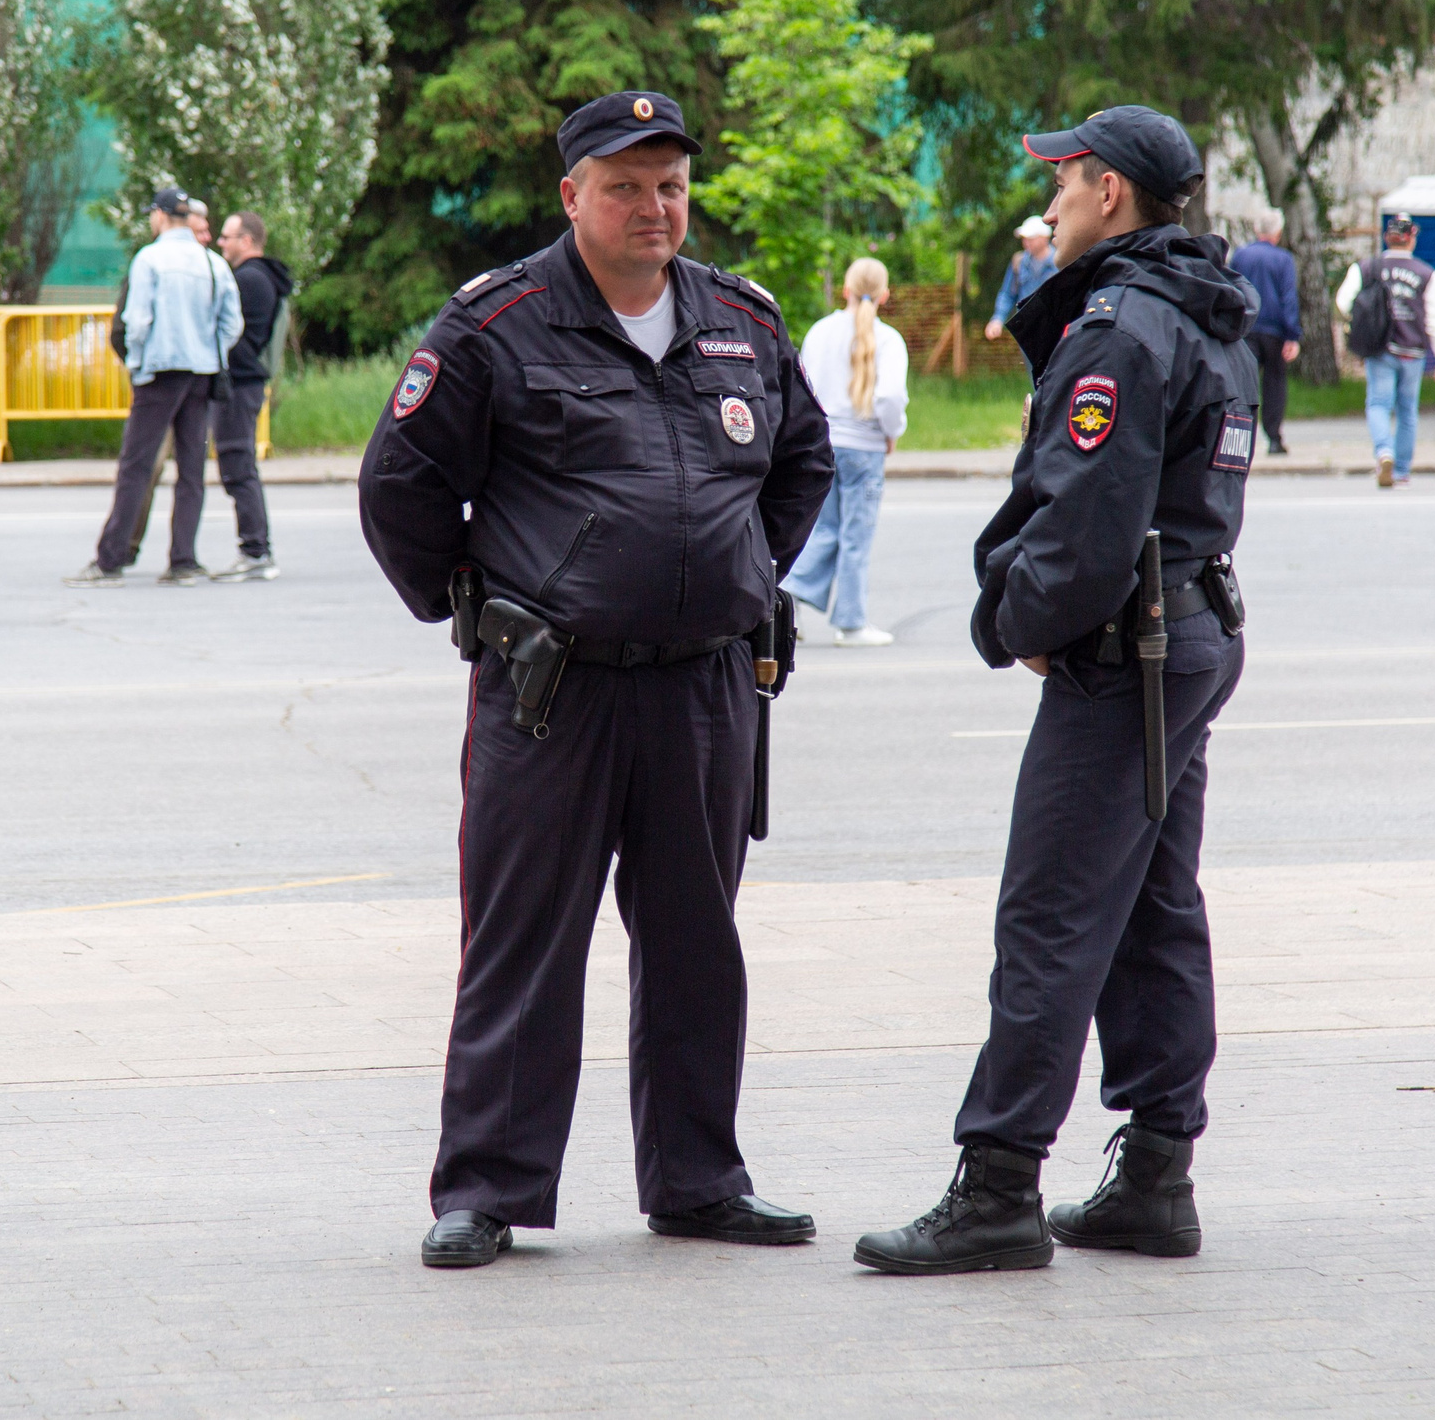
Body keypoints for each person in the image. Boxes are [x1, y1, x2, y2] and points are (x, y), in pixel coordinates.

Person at [359, 90, 833, 1270]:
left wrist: (735, 572)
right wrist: (476, 604)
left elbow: (803, 459)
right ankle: (487, 1188)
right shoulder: (496, 324)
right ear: (572, 195)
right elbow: (399, 484)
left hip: (705, 690)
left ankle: (699, 1180)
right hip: (549, 692)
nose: (652, 207)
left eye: (670, 185)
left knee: (695, 942)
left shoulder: (740, 319)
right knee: (524, 940)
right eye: (625, 187)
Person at [855, 106, 1255, 1275]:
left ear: (1110, 193)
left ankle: (996, 1183)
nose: (1052, 203)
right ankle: (1155, 1174)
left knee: (1051, 914)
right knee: (1153, 904)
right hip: (1185, 631)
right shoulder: (1203, 306)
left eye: (1065, 182)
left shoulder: (1122, 325)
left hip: (1128, 652)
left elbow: (1084, 527)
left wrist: (1013, 620)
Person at [66, 188, 243, 588]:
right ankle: (183, 560)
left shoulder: (150, 259)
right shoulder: (212, 262)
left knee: (136, 466)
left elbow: (138, 320)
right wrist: (211, 351)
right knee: (191, 469)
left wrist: (137, 364)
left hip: (159, 372)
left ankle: (110, 561)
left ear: (161, 217)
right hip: (202, 372)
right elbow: (232, 323)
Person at [783, 256, 909, 645]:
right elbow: (889, 397)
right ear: (885, 295)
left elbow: (804, 390)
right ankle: (851, 624)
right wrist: (892, 432)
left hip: (823, 446)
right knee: (856, 537)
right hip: (864, 449)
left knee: (822, 530)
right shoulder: (888, 340)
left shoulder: (820, 332)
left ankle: (789, 600)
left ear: (845, 290)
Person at [1334, 215, 1435, 487]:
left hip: (1380, 348)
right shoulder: (1427, 274)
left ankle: (1384, 452)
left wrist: (1358, 324)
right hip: (1413, 351)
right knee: (1407, 411)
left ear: (1387, 238)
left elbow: (1342, 302)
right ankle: (1401, 469)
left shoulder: (1366, 267)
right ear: (1411, 239)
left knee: (1378, 404)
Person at [212, 211, 295, 581]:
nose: (221, 242)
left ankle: (255, 552)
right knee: (239, 464)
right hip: (246, 383)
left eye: (227, 236)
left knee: (238, 466)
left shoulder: (248, 278)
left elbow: (236, 336)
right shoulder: (263, 276)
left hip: (239, 384)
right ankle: (255, 550)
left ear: (246, 241)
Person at [1227, 210, 1301, 454]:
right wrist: (1292, 335)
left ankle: (1239, 436)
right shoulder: (1283, 259)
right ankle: (1274, 439)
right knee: (1274, 384)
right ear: (1277, 232)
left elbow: (1231, 290)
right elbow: (1288, 298)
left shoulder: (1241, 255)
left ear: (1257, 230)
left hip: (1245, 329)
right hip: (1275, 331)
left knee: (1243, 385)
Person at [984, 215, 1056, 339]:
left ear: (1045, 238)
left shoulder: (1060, 261)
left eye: (1030, 238)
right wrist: (997, 319)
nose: (1026, 242)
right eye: (1024, 239)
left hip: (1055, 331)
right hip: (1027, 331)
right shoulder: (1019, 262)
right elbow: (1007, 294)